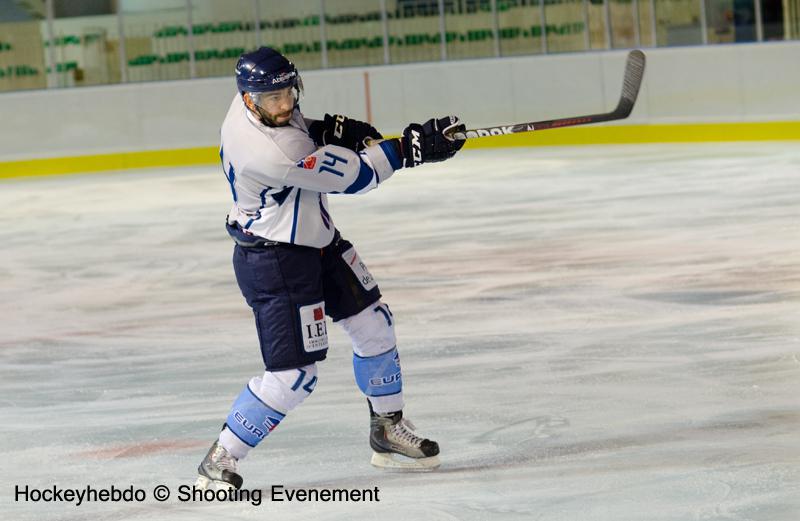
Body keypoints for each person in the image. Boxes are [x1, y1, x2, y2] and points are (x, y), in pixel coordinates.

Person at [196, 47, 465, 490]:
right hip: (276, 261)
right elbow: (357, 177)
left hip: (318, 241)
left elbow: (307, 129)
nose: (284, 106)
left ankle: (387, 431)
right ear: (248, 99)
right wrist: (413, 147)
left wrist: (333, 129)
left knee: (375, 326)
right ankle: (222, 454)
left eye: (289, 93)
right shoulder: (268, 152)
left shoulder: (262, 107)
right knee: (294, 378)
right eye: (272, 100)